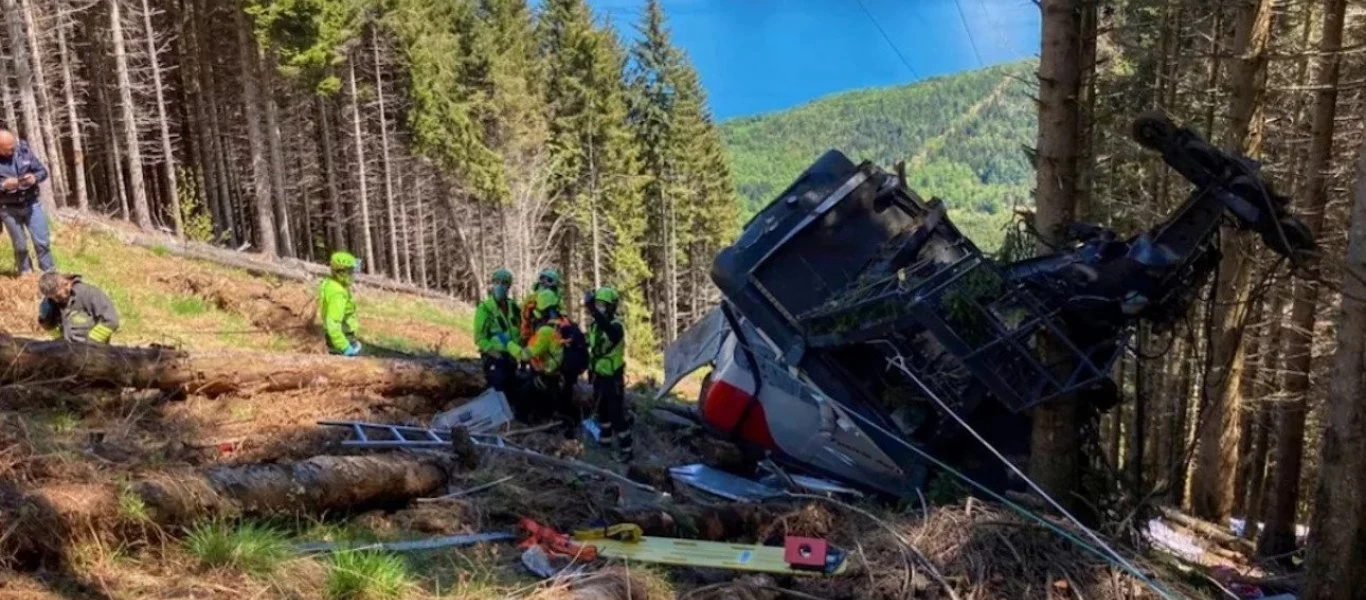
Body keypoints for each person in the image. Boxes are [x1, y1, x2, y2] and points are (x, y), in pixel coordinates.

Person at [510, 288, 583, 437]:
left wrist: (508, 344)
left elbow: (524, 355)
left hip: (548, 378)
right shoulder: (563, 324)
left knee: (521, 394)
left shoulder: (545, 331)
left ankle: (525, 427)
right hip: (561, 378)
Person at [585, 286, 631, 461]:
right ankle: (605, 444)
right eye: (597, 304)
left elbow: (610, 333)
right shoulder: (595, 326)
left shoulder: (615, 327)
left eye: (602, 305)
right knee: (602, 413)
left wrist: (592, 309)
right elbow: (590, 343)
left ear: (611, 307)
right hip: (598, 377)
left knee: (616, 414)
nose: (599, 308)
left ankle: (627, 450)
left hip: (613, 379)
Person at [0, 129, 52, 275]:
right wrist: (4, 185)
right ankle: (26, 275)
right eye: (8, 149)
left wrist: (35, 178)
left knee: (42, 242)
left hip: (31, 203)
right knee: (20, 246)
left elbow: (42, 171)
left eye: (13, 146)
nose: (12, 150)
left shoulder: (23, 151)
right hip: (7, 209)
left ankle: (49, 274)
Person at [473, 268, 521, 392]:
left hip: (512, 357)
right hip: (495, 358)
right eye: (497, 282)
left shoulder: (513, 307)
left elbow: (519, 330)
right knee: (497, 391)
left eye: (504, 283)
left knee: (513, 392)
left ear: (509, 286)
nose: (500, 285)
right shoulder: (485, 309)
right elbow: (479, 338)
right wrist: (493, 352)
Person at [37, 272, 119, 344]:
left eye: (58, 296)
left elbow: (111, 321)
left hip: (93, 350)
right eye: (52, 298)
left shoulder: (89, 294)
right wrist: (60, 340)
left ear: (66, 284)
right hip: (68, 351)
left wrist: (91, 343)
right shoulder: (51, 302)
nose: (56, 300)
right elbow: (50, 327)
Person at [320, 251, 362, 356]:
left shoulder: (331, 283)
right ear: (341, 273)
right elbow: (333, 323)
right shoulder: (337, 294)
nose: (353, 275)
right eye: (350, 271)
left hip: (341, 337)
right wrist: (345, 347)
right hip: (343, 339)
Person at [519, 267, 562, 344]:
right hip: (532, 333)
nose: (544, 283)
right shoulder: (531, 298)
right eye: (543, 279)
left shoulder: (553, 297)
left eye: (548, 280)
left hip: (541, 333)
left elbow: (556, 319)